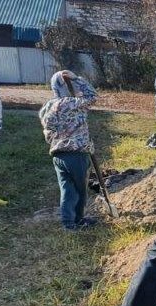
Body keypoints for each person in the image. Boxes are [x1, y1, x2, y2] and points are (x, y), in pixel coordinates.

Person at [38, 70, 99, 230]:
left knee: (67, 189)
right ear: (67, 86)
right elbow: (92, 96)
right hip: (76, 154)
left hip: (59, 155)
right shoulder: (70, 103)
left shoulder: (48, 107)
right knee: (80, 190)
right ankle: (78, 219)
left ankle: (68, 223)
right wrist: (76, 77)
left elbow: (48, 130)